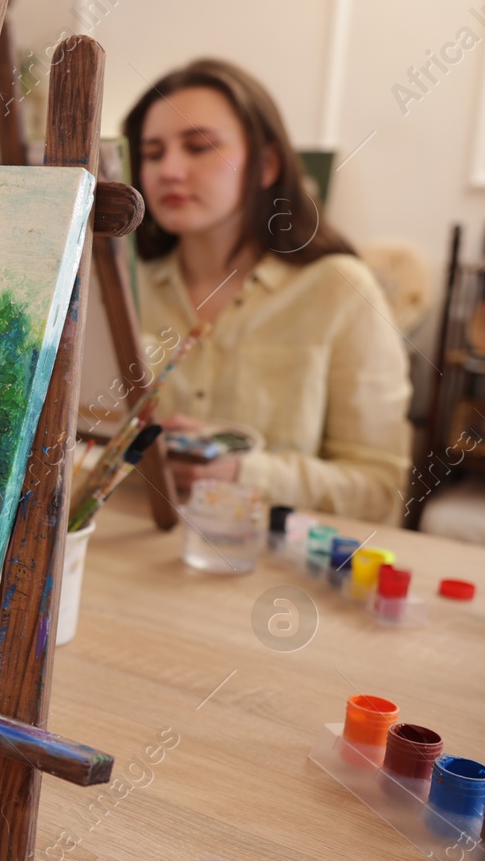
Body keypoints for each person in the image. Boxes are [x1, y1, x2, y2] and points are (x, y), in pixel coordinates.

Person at [122, 58, 412, 524]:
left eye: (198, 147)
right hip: (126, 557)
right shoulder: (118, 289)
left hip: (275, 577)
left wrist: (243, 471)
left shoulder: (341, 292)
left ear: (268, 164)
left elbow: (379, 493)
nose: (169, 170)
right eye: (153, 154)